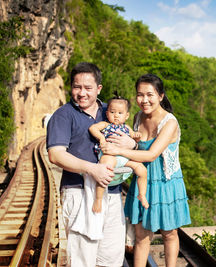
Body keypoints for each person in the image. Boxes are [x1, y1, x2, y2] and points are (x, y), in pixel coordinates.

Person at [101, 73, 191, 267]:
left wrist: (118, 149)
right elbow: (135, 148)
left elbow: (151, 155)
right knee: (141, 235)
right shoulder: (137, 117)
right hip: (142, 180)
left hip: (166, 181)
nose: (144, 100)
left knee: (169, 232)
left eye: (150, 94)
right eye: (140, 95)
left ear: (161, 96)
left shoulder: (170, 122)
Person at [46, 62, 126, 267]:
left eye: (88, 88)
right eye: (76, 87)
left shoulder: (112, 111)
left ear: (99, 88)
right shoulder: (63, 115)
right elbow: (55, 155)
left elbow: (133, 137)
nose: (82, 93)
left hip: (113, 193)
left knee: (112, 259)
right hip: (78, 193)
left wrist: (130, 143)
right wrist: (93, 169)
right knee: (82, 260)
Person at [89, 96, 149, 212]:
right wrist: (101, 138)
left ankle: (142, 194)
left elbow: (134, 137)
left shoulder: (126, 127)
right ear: (107, 113)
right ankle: (99, 199)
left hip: (124, 157)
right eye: (112, 112)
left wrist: (136, 136)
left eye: (120, 113)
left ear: (126, 115)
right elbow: (93, 128)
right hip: (109, 155)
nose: (116, 115)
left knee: (142, 170)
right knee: (104, 171)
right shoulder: (105, 125)